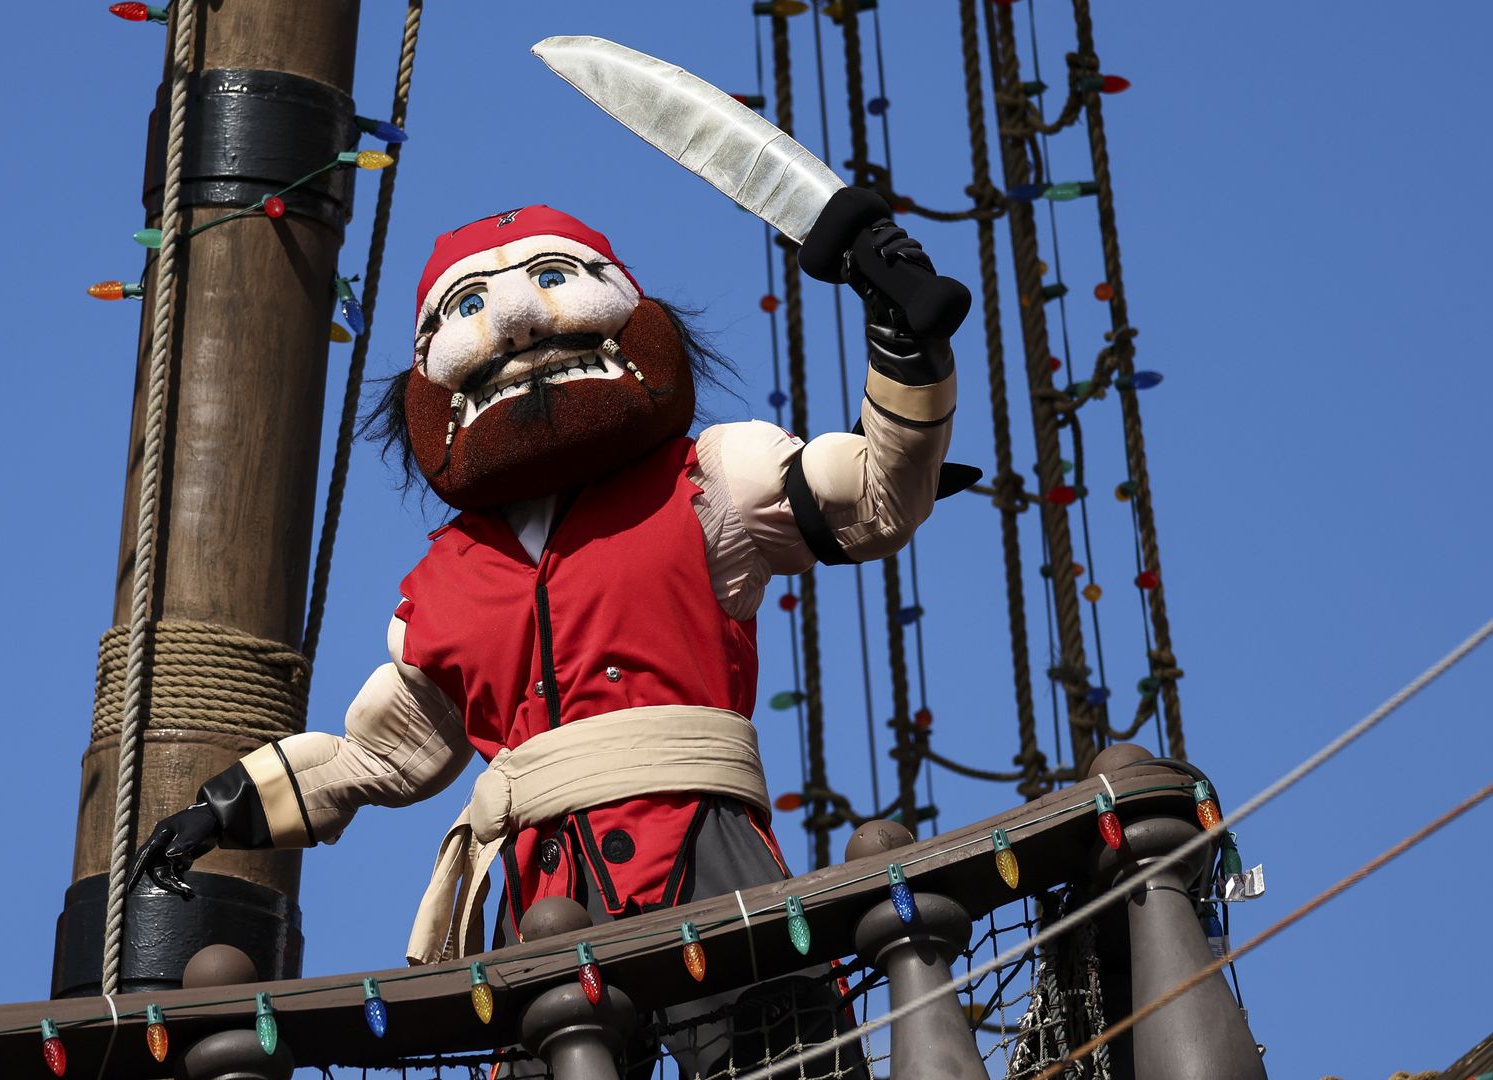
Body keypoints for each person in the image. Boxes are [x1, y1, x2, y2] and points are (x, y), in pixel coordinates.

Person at [134, 200, 969, 1070]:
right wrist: (222, 808)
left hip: (703, 852)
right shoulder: (442, 585)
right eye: (474, 310)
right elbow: (380, 755)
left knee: (774, 1056)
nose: (521, 327)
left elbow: (875, 496)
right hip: (542, 887)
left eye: (553, 283)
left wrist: (905, 348)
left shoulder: (714, 480)